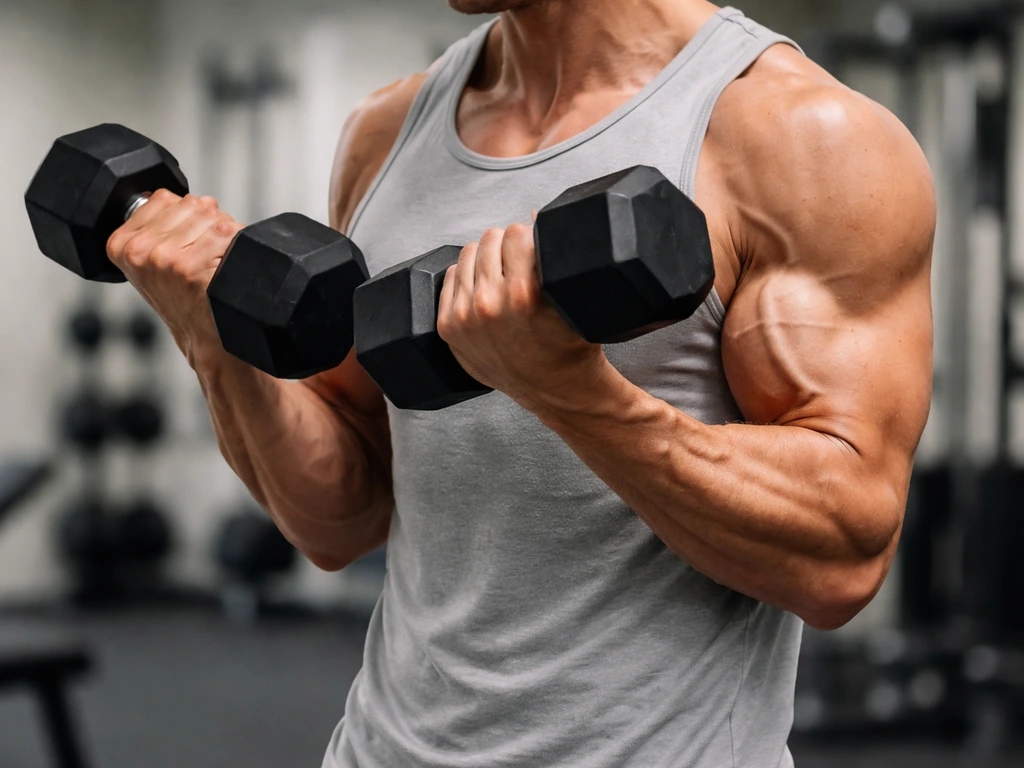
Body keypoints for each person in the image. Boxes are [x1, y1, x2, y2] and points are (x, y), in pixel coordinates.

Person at [105, 0, 936, 765]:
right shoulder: (385, 133)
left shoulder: (799, 136)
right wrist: (212, 340)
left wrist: (574, 394)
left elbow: (841, 558)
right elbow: (342, 518)